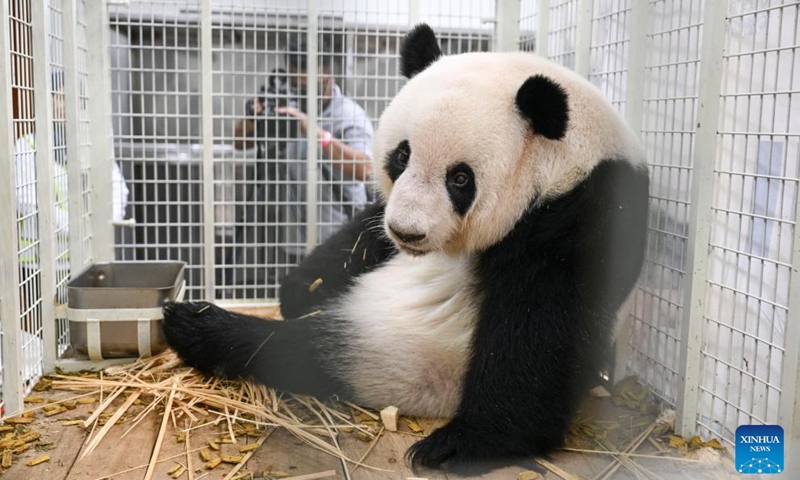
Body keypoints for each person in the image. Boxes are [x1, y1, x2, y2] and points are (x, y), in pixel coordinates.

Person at [233, 36, 374, 289]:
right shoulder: (290, 107)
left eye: (310, 86)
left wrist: (318, 135)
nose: (303, 94)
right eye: (297, 86)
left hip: (339, 236)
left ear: (328, 74)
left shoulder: (350, 116)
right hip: (295, 237)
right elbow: (241, 142)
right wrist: (255, 117)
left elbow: (365, 169)